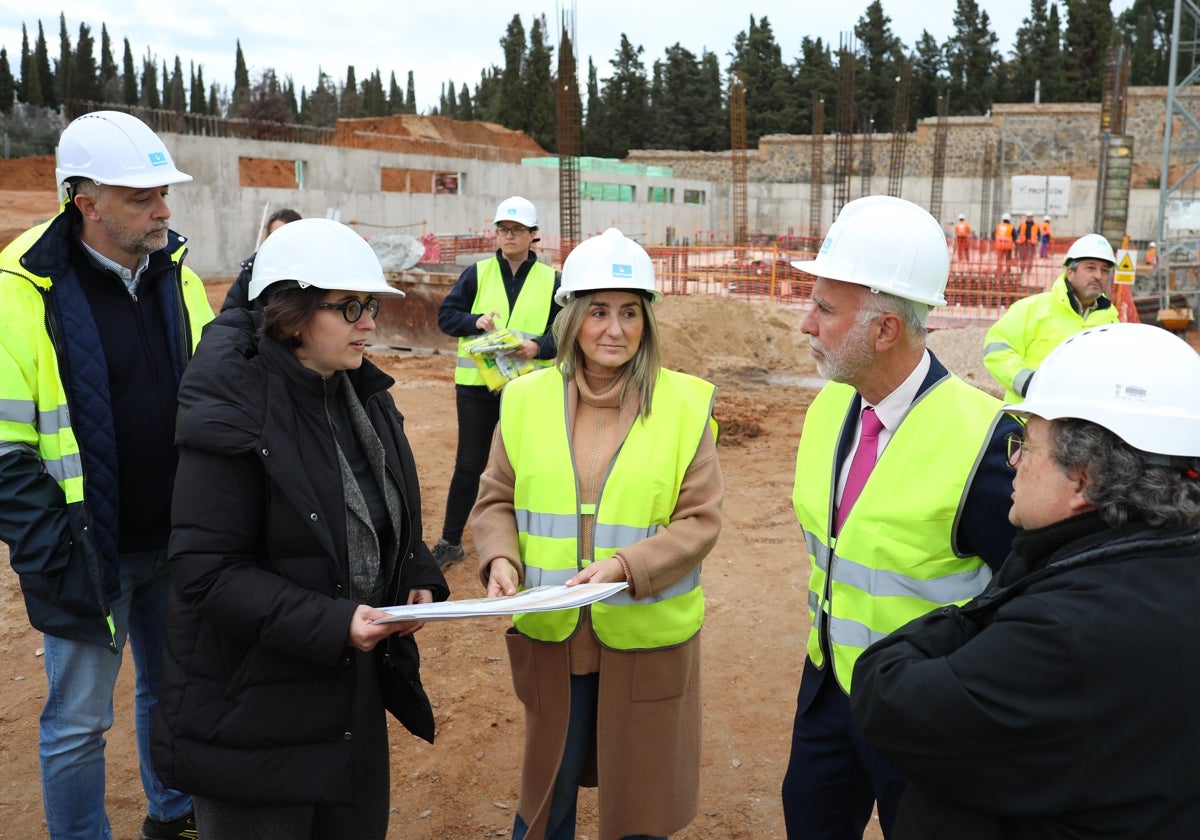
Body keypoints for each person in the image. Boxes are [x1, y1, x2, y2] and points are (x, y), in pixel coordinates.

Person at [152, 218, 449, 839]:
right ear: (290, 314)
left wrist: (414, 571)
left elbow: (383, 513)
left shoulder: (358, 393)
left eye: (370, 305)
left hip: (348, 696)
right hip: (253, 711)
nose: (370, 322)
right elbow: (207, 572)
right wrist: (333, 622)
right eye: (350, 308)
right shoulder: (234, 406)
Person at [850, 322, 1200, 839]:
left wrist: (981, 606)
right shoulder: (1166, 560)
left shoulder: (1063, 628)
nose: (1012, 461)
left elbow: (887, 695)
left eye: (1025, 444)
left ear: (1083, 478)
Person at [470, 227, 723, 840]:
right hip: (557, 638)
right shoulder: (525, 400)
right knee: (548, 794)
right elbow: (495, 499)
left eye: (630, 313)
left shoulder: (685, 406)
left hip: (643, 639)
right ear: (574, 319)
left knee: (639, 801)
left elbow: (699, 522)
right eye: (600, 312)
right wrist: (499, 557)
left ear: (648, 321)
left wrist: (624, 567)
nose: (615, 329)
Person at [779, 195, 1019, 840]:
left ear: (885, 330)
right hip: (829, 690)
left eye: (825, 309)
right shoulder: (830, 409)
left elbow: (1024, 598)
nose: (806, 324)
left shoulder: (986, 441)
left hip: (926, 719)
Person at [0, 110, 210, 840]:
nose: (164, 209)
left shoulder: (172, 269)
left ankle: (172, 813)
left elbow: (209, 389)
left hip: (177, 533)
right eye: (142, 196)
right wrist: (52, 551)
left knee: (169, 693)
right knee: (78, 720)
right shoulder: (23, 288)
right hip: (85, 547)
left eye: (164, 193)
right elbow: (5, 447)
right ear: (85, 203)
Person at [431, 195, 561, 569]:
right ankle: (450, 540)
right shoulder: (478, 272)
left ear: (533, 235)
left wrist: (537, 347)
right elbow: (446, 317)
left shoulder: (551, 280)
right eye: (504, 229)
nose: (509, 236)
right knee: (469, 464)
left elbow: (564, 331)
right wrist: (475, 322)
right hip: (475, 388)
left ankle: (525, 539)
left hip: (525, 389)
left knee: (527, 464)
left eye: (517, 230)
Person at [982, 232, 1119, 404]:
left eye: (1104, 270)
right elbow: (997, 348)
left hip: (1080, 424)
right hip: (1026, 419)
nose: (1098, 276)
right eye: (1090, 268)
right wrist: (1027, 383)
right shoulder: (1033, 308)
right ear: (1070, 272)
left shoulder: (1112, 322)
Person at [220, 207, 302, 312]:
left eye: (283, 234)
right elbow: (230, 315)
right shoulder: (252, 272)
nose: (276, 241)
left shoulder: (312, 277)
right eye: (272, 235)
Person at [1015, 210, 1038, 276]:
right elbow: (1018, 232)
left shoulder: (1036, 225)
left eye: (1030, 217)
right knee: (1022, 258)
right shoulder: (1022, 224)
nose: (1029, 218)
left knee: (1030, 258)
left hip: (1031, 244)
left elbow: (1038, 234)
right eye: (1028, 217)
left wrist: (1037, 241)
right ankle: (1022, 270)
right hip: (1023, 244)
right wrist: (1018, 240)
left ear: (1032, 217)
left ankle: (1028, 271)